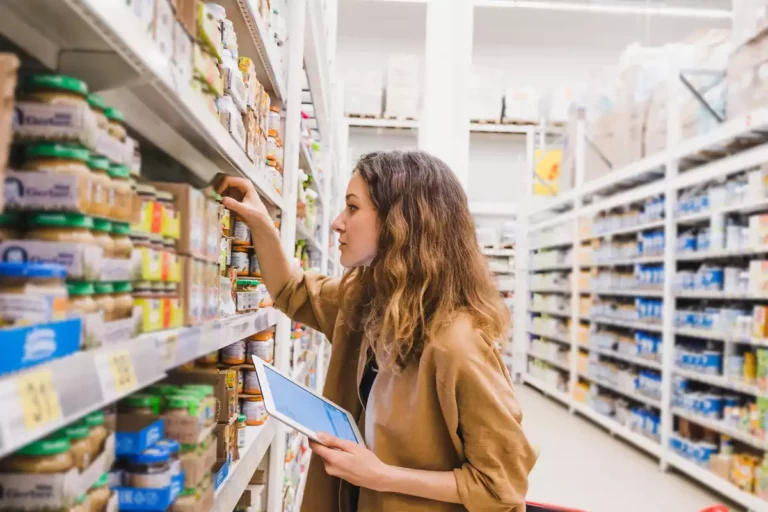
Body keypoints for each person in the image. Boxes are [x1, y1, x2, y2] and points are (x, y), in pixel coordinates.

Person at [218, 150, 537, 512]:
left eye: (352, 208)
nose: (337, 223)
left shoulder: (458, 344)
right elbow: (293, 291)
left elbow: (502, 485)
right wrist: (260, 222)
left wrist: (380, 475)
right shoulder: (368, 301)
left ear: (400, 223)